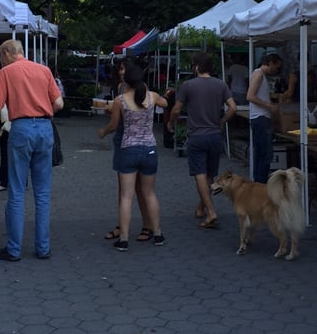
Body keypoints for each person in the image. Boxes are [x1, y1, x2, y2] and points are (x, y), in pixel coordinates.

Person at [0, 39, 64, 262]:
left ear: (6, 53)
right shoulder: (43, 70)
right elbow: (59, 103)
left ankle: (14, 249)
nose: (0, 61)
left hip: (21, 129)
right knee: (42, 193)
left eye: (0, 56)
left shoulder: (5, 73)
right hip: (44, 128)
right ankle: (43, 248)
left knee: (16, 190)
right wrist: (45, 116)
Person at [98, 64, 168, 250]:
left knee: (126, 196)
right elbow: (165, 104)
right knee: (150, 194)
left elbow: (113, 126)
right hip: (150, 149)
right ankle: (158, 234)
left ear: (126, 81)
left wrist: (103, 132)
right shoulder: (152, 96)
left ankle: (124, 238)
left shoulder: (120, 100)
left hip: (128, 149)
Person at [167, 52, 236, 227]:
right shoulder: (221, 85)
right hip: (214, 135)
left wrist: (171, 122)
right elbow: (233, 108)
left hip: (197, 136)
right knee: (210, 175)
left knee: (199, 174)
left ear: (197, 66)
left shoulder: (188, 85)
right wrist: (222, 121)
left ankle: (211, 212)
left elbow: (176, 109)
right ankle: (201, 207)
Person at [102, 58, 153, 243]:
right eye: (120, 69)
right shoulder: (121, 88)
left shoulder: (141, 88)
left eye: (124, 69)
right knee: (125, 188)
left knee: (140, 189)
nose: (121, 72)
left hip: (132, 141)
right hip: (123, 140)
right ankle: (122, 226)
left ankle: (147, 226)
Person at [246, 53, 283, 183]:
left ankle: (259, 182)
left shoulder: (260, 75)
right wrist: (269, 106)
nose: (276, 70)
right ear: (270, 63)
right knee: (265, 154)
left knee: (261, 153)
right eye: (276, 67)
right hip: (260, 118)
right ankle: (261, 183)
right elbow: (250, 96)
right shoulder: (258, 74)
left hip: (261, 118)